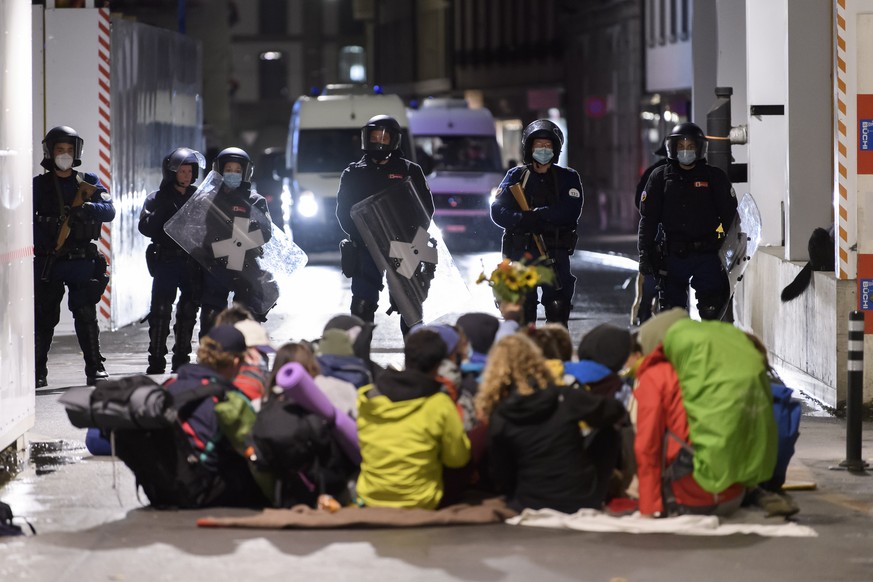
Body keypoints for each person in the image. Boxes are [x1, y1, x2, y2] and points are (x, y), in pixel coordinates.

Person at [476, 334, 626, 513]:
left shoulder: (500, 415)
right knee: (609, 432)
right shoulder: (564, 397)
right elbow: (614, 410)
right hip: (581, 498)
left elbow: (501, 472)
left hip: (529, 500)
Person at [335, 115, 435, 332]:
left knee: (410, 309)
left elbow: (425, 210)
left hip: (404, 247)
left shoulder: (410, 171)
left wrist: (407, 235)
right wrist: (367, 238)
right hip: (366, 248)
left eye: (384, 136)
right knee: (362, 306)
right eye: (374, 136)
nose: (379, 141)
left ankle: (414, 360)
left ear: (394, 141)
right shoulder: (353, 173)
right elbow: (344, 213)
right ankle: (361, 361)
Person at [33, 126, 115, 387]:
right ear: (50, 152)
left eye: (69, 150)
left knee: (86, 314)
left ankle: (95, 367)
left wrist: (89, 208)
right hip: (50, 261)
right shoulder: (39, 185)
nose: (65, 154)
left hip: (81, 260)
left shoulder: (87, 181)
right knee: (45, 317)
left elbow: (109, 209)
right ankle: (37, 370)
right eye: (60, 150)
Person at [356, 329, 471, 509]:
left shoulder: (368, 397)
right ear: (439, 365)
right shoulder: (439, 403)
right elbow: (457, 459)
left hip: (370, 498)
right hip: (421, 501)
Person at [638, 122, 738, 320]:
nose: (686, 151)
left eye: (690, 147)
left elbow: (730, 218)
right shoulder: (660, 178)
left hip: (707, 254)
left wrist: (724, 245)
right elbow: (648, 220)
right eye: (681, 147)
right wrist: (645, 254)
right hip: (673, 255)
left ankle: (709, 349)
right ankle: (680, 350)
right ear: (672, 149)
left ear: (700, 148)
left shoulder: (714, 177)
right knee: (673, 316)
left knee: (712, 310)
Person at [490, 119, 584, 327]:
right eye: (538, 145)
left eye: (548, 145)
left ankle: (556, 355)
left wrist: (540, 215)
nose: (543, 149)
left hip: (554, 252)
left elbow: (570, 211)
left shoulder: (567, 178)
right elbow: (497, 210)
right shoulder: (516, 176)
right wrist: (522, 219)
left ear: (556, 149)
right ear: (529, 147)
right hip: (522, 252)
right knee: (523, 312)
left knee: (557, 308)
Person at [138, 147, 205, 374]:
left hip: (191, 261)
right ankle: (156, 359)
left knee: (188, 311)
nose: (186, 175)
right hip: (166, 261)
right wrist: (164, 209)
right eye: (182, 171)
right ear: (172, 171)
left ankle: (182, 358)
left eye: (190, 171)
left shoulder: (199, 197)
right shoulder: (156, 198)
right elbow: (145, 228)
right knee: (160, 311)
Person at [199, 147, 276, 335]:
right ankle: (210, 356)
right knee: (211, 312)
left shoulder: (255, 201)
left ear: (245, 172)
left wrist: (240, 235)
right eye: (228, 170)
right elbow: (198, 230)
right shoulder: (208, 199)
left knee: (247, 315)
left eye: (237, 171)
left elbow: (265, 233)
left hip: (245, 263)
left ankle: (246, 357)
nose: (232, 174)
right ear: (219, 171)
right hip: (215, 263)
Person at [631, 139, 668, 326]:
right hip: (660, 233)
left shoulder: (652, 172)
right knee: (655, 273)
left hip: (656, 233)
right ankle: (647, 309)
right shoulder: (655, 174)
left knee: (653, 273)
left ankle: (645, 311)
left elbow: (640, 203)